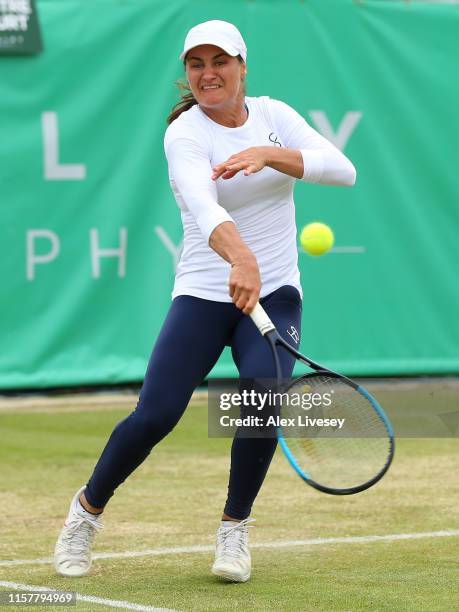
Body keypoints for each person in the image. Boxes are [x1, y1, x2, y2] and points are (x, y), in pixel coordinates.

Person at [54, 19, 356, 583]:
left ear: (243, 67)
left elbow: (343, 170)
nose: (208, 73)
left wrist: (271, 154)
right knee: (156, 416)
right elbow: (202, 203)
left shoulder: (274, 116)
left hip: (277, 293)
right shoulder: (185, 134)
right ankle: (85, 512)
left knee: (263, 400)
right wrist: (240, 259)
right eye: (197, 64)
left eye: (220, 62)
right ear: (187, 73)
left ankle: (234, 529)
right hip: (203, 291)